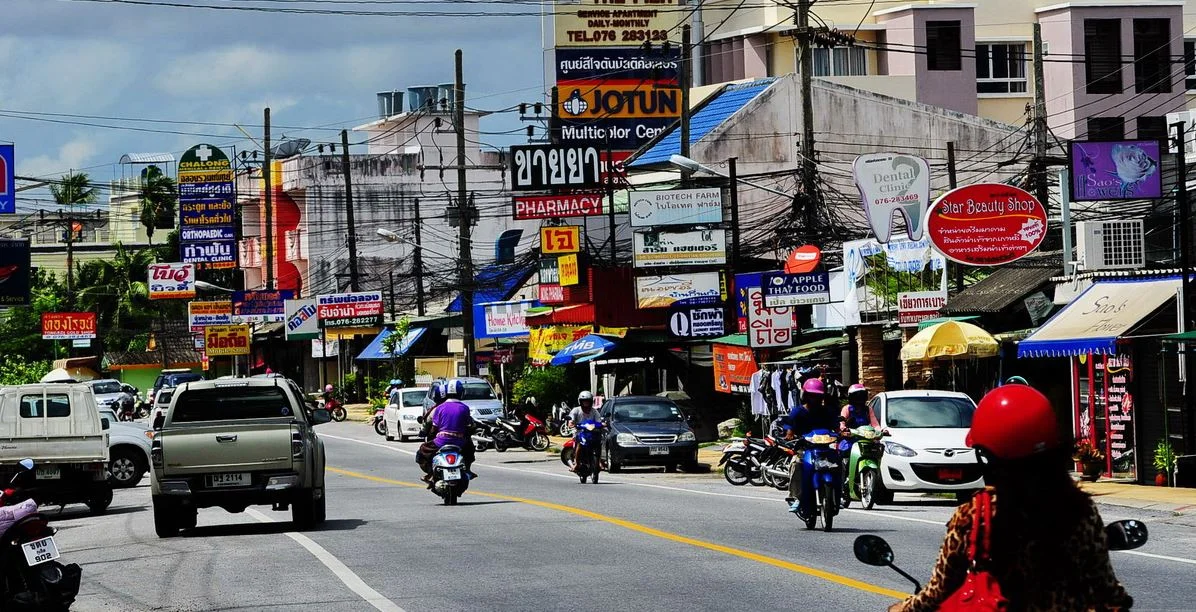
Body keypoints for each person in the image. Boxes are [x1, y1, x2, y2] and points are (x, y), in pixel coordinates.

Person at [891, 384, 1132, 612]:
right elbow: (1106, 588)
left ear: (990, 456)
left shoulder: (978, 514)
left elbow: (939, 590)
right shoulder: (1079, 509)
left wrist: (904, 607)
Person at [785, 378, 837, 516]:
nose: (815, 399)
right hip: (805, 448)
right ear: (805, 396)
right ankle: (796, 497)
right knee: (796, 464)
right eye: (812, 395)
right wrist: (790, 435)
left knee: (839, 463)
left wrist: (842, 433)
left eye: (818, 396)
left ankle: (839, 494)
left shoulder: (828, 412)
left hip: (825, 449)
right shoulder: (797, 412)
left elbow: (836, 427)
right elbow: (789, 429)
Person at [416, 379, 477, 483]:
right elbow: (469, 425)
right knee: (470, 451)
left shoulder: (439, 408)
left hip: (441, 441)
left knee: (422, 451)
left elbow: (434, 428)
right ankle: (467, 470)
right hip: (460, 442)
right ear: (461, 392)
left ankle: (430, 474)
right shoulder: (465, 408)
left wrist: (432, 435)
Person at [567, 391, 603, 472]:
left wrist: (602, 424)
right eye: (584, 401)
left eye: (587, 401)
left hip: (592, 433)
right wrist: (571, 423)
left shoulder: (594, 411)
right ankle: (577, 463)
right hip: (579, 432)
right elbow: (571, 420)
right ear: (580, 401)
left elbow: (599, 421)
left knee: (598, 443)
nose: (586, 403)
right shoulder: (576, 410)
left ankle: (599, 462)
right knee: (580, 443)